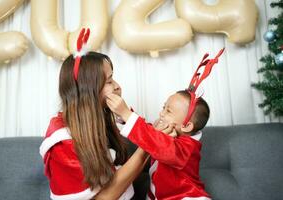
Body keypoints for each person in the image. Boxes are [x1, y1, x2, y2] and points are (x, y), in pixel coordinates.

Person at [39, 28, 153, 200]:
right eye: (109, 81)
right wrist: (147, 147)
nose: (117, 86)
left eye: (113, 78)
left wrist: (134, 122)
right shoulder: (62, 143)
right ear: (88, 91)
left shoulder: (100, 120)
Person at [106, 48, 225, 200]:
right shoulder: (163, 134)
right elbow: (148, 132)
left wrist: (126, 115)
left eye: (168, 111)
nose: (161, 113)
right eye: (164, 107)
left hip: (188, 197)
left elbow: (157, 143)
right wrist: (123, 115)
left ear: (186, 126)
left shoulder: (187, 148)